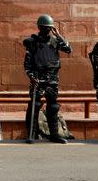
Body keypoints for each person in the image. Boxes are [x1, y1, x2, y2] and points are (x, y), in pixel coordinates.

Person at [23, 15, 71, 144]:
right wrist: (32, 77)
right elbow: (27, 64)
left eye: (49, 28)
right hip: (38, 78)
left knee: (53, 106)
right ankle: (31, 134)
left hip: (52, 78)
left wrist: (59, 35)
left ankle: (54, 134)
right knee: (35, 105)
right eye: (45, 28)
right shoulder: (32, 42)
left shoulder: (55, 41)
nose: (47, 30)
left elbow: (68, 49)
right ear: (39, 28)